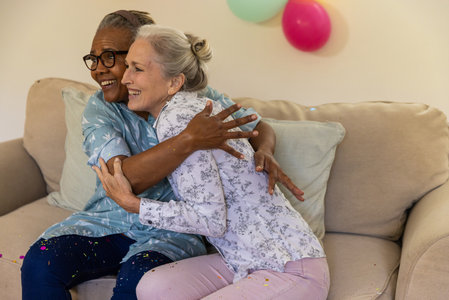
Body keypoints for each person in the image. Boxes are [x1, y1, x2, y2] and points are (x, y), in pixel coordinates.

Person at [20, 10, 304, 300]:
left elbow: (257, 126)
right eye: (94, 59)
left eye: (111, 58)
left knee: (138, 284)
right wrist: (189, 139)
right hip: (107, 223)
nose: (98, 69)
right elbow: (123, 181)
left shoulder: (197, 98)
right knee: (40, 263)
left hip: (171, 231)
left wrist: (265, 151)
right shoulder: (100, 109)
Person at [95, 24, 330, 299]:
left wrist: (135, 205)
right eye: (128, 67)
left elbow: (210, 222)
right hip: (243, 260)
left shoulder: (178, 119)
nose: (125, 79)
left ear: (174, 82)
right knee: (151, 286)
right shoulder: (192, 109)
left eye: (137, 68)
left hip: (291, 267)